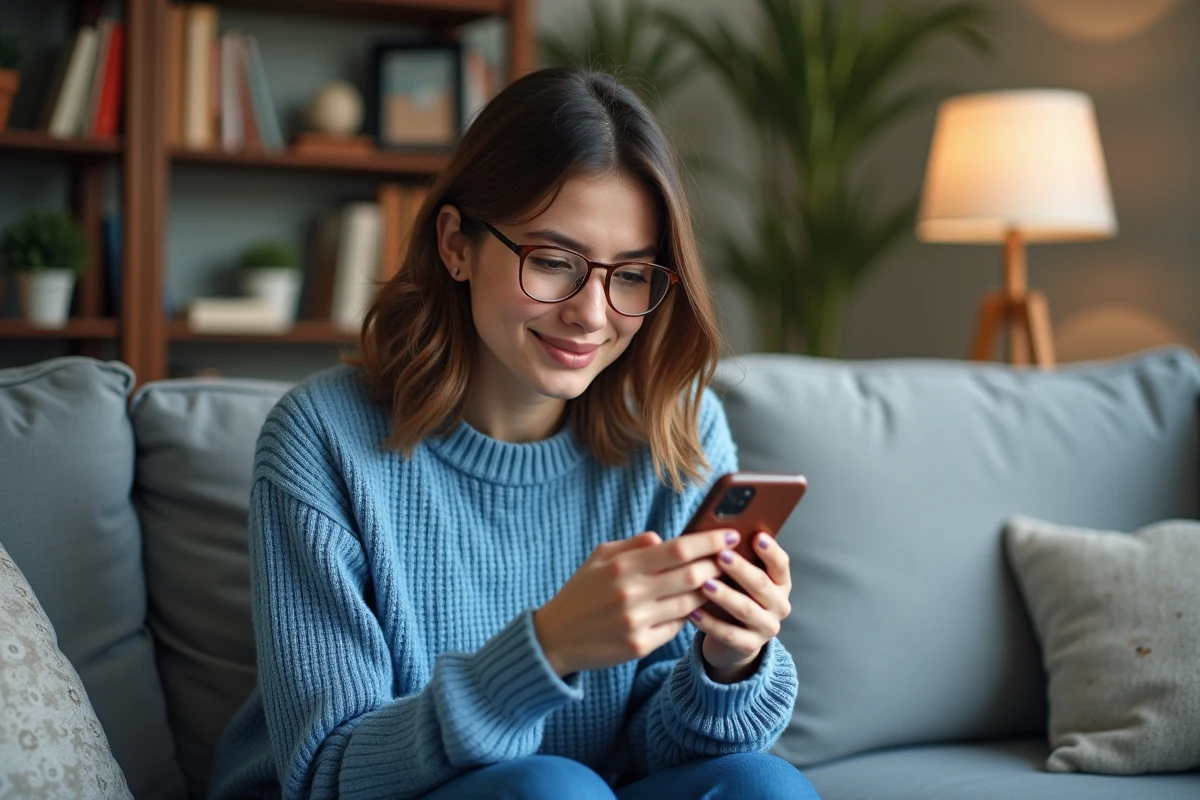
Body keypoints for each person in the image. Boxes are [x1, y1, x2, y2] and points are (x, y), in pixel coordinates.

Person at [208, 67, 819, 800]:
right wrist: (549, 647)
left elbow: (663, 753)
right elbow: (328, 772)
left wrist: (729, 662)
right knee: (550, 790)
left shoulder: (675, 428)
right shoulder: (321, 440)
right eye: (554, 262)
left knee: (764, 786)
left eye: (630, 275)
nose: (593, 314)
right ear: (456, 244)